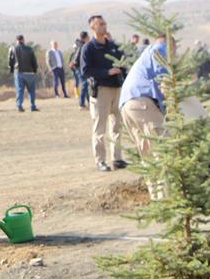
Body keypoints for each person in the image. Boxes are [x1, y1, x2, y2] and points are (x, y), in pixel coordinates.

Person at [80, 15, 126, 171]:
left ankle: (117, 158)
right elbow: (85, 71)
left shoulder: (113, 46)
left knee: (117, 126)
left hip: (117, 89)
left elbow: (123, 63)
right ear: (92, 27)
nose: (103, 26)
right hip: (101, 90)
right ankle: (100, 160)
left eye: (105, 23)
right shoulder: (89, 48)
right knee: (100, 127)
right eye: (100, 24)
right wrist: (106, 72)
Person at [120, 35, 169, 160]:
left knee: (145, 148)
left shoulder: (147, 53)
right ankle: (165, 178)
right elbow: (164, 80)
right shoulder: (160, 48)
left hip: (126, 103)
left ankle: (152, 179)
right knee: (162, 141)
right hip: (141, 101)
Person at [9, 35, 41, 112]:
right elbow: (34, 61)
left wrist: (12, 70)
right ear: (23, 40)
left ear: (16, 40)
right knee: (31, 90)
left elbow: (10, 61)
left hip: (19, 72)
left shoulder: (13, 49)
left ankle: (19, 105)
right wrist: (34, 71)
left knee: (20, 90)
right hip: (30, 72)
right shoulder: (30, 49)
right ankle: (32, 106)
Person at [69, 31, 91, 108]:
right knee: (85, 84)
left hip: (79, 67)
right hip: (79, 68)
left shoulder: (79, 44)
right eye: (88, 36)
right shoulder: (82, 46)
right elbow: (77, 57)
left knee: (86, 84)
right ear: (86, 37)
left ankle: (89, 103)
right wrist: (76, 63)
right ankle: (81, 104)